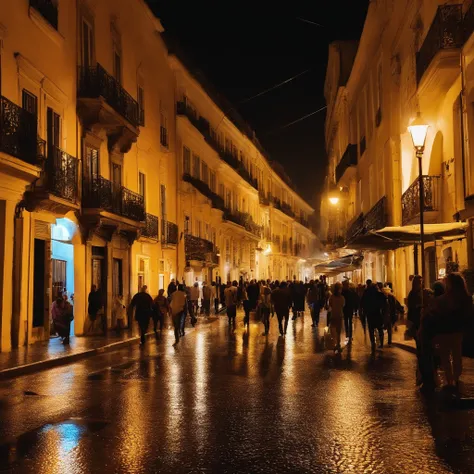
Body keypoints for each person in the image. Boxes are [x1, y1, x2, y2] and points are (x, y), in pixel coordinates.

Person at [422, 273, 473, 392]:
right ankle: (455, 379)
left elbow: (435, 313)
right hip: (457, 331)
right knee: (456, 355)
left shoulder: (443, 299)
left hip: (445, 331)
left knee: (446, 356)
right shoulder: (466, 298)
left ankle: (450, 380)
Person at [361, 279, 386, 352]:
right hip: (377, 313)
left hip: (370, 314)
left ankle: (373, 343)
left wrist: (364, 311)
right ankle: (381, 343)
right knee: (380, 329)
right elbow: (384, 300)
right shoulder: (379, 294)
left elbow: (362, 302)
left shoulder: (366, 293)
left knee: (371, 329)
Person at [329, 282, 345, 352]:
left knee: (333, 330)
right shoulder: (342, 297)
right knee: (338, 331)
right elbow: (343, 305)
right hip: (340, 315)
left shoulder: (332, 297)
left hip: (333, 314)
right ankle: (338, 344)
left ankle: (335, 343)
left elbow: (330, 304)